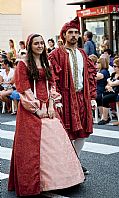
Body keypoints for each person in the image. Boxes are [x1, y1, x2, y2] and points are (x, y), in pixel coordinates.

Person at [8, 33, 84, 197]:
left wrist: (50, 105)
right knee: (32, 146)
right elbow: (23, 88)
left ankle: (61, 180)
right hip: (31, 108)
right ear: (30, 46)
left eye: (42, 43)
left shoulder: (46, 62)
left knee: (55, 141)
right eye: (36, 43)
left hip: (47, 106)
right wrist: (36, 109)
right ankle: (38, 183)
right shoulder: (23, 64)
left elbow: (52, 85)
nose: (40, 46)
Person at [49, 17, 97, 175]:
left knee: (82, 132)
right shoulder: (56, 54)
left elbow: (89, 77)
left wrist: (92, 97)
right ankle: (66, 166)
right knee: (66, 134)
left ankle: (75, 162)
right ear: (64, 35)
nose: (74, 35)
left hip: (82, 98)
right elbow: (52, 78)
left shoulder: (83, 54)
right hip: (64, 99)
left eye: (77, 33)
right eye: (70, 32)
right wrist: (55, 99)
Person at [98, 58, 119, 125]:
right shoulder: (113, 74)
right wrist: (108, 86)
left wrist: (109, 81)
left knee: (105, 98)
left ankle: (105, 118)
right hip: (112, 91)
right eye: (113, 66)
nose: (113, 67)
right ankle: (104, 117)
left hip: (117, 93)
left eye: (115, 66)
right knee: (102, 96)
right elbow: (107, 85)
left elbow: (114, 83)